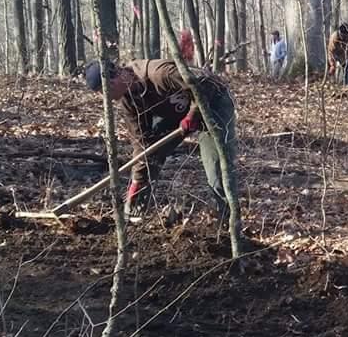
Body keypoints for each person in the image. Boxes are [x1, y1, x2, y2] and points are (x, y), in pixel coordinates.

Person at [83, 59, 238, 218]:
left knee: (216, 167)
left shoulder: (160, 74)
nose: (106, 97)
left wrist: (193, 114)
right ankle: (135, 212)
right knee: (152, 153)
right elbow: (142, 143)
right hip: (178, 113)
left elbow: (206, 83)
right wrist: (137, 181)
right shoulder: (128, 101)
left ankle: (228, 220)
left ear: (116, 77)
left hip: (214, 103)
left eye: (106, 90)